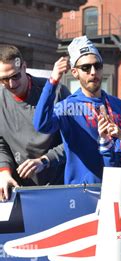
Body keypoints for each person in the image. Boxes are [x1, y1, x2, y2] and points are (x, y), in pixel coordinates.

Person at [33, 36, 121, 184]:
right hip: (82, 192)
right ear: (74, 72)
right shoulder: (67, 107)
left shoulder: (118, 105)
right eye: (85, 67)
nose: (93, 72)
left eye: (97, 66)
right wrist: (52, 81)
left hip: (120, 189)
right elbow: (41, 124)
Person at [0, 45, 69, 201]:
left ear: (24, 67)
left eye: (15, 76)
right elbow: (1, 144)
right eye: (4, 79)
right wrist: (3, 172)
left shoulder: (57, 92)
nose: (11, 84)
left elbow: (74, 140)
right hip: (18, 190)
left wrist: (44, 161)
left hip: (59, 189)